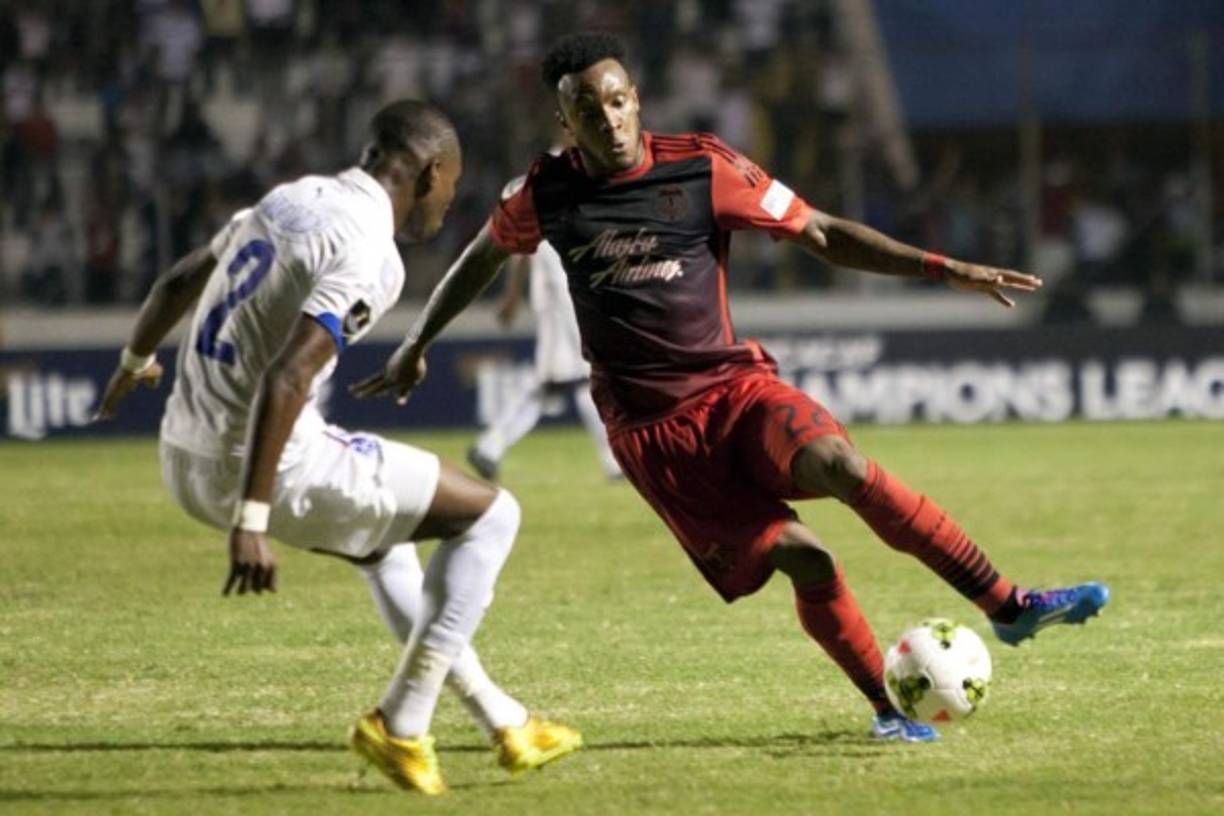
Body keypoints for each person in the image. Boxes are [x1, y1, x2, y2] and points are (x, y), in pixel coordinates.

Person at [353, 36, 1110, 743]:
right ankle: (887, 709)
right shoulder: (545, 193)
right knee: (809, 560)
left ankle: (1007, 604)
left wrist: (943, 269)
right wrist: (417, 344)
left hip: (736, 390)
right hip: (655, 434)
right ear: (566, 122)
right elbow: (481, 258)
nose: (608, 119)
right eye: (588, 109)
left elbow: (820, 232)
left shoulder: (702, 168)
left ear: (636, 99)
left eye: (616, 100)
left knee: (843, 465)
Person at [93, 99, 580, 795]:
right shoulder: (371, 251)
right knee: (492, 515)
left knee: (384, 547)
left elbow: (177, 281)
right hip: (264, 467)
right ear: (431, 172)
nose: (448, 201)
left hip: (180, 452)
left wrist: (134, 361)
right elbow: (289, 375)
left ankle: (504, 720)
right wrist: (251, 519)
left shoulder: (288, 200)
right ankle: (401, 726)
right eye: (450, 186)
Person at [467, 184, 622, 482]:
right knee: (573, 378)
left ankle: (489, 447)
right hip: (559, 301)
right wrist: (513, 294)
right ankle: (489, 446)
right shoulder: (547, 187)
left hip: (566, 296)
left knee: (571, 381)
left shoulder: (566, 185)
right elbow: (523, 247)